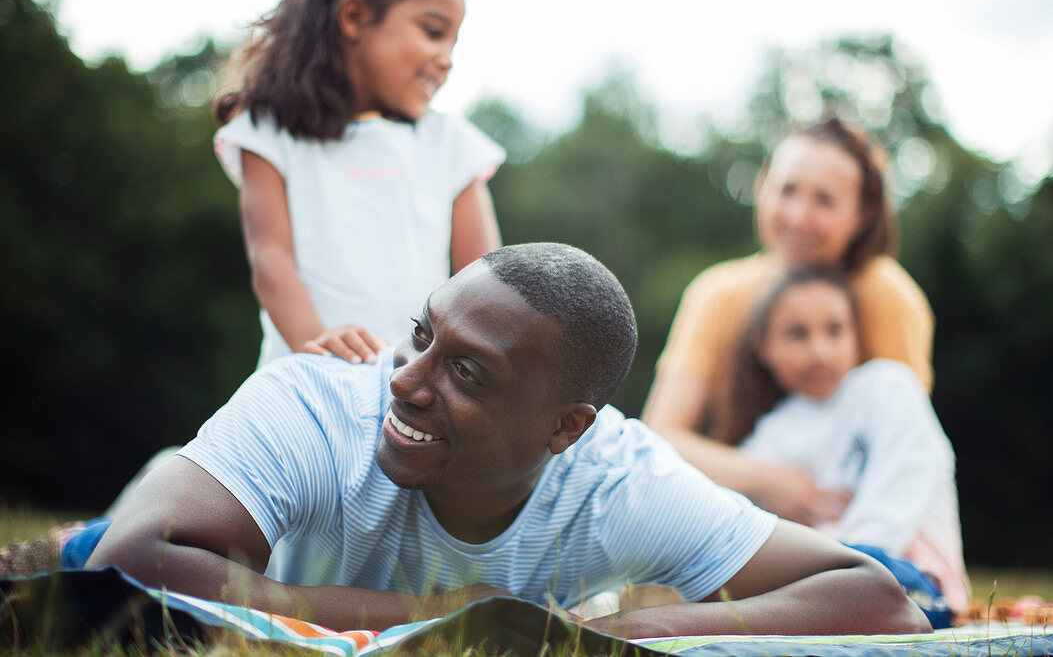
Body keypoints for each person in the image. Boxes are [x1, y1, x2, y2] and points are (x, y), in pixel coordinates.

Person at [83, 243, 930, 638]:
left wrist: (592, 638)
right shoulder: (324, 402)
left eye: (468, 373)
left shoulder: (617, 481)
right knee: (88, 539)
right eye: (420, 335)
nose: (407, 379)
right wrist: (461, 626)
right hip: (223, 508)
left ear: (567, 428)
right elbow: (130, 562)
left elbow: (875, 599)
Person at [213, 0, 504, 369]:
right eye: (433, 32)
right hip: (304, 380)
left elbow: (483, 279)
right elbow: (270, 258)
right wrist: (319, 344)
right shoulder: (269, 133)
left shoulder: (451, 142)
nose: (447, 60)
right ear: (354, 17)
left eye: (453, 44)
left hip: (415, 389)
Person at [643, 117, 934, 528]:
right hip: (739, 515)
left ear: (863, 214)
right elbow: (661, 438)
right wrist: (766, 480)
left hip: (853, 521)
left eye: (825, 201)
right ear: (761, 187)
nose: (798, 217)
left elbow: (906, 441)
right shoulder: (717, 293)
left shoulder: (886, 294)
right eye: (787, 190)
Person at [723, 267, 969, 624]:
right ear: (764, 347)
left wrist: (835, 567)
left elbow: (900, 493)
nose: (819, 351)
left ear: (855, 334)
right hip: (812, 585)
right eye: (797, 334)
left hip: (904, 579)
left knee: (855, 586)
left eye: (835, 330)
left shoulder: (888, 388)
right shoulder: (769, 436)